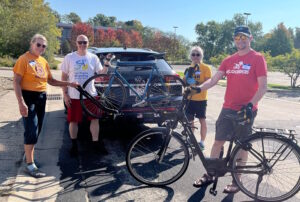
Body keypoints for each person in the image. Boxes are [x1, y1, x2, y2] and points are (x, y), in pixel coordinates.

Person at [192, 26, 268, 193]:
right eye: (237, 38)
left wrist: (250, 105)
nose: (240, 40)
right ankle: (210, 174)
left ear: (250, 38)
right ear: (234, 40)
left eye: (243, 37)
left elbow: (263, 87)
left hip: (247, 110)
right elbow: (213, 80)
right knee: (218, 141)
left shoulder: (257, 58)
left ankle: (237, 181)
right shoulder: (228, 60)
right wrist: (199, 88)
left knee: (242, 146)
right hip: (228, 108)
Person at [13, 34, 78, 178]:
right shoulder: (23, 59)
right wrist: (20, 102)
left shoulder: (43, 61)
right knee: (31, 130)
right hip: (28, 97)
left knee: (37, 129)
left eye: (44, 46)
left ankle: (28, 157)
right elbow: (16, 81)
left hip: (41, 97)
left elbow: (51, 81)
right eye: (39, 45)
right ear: (32, 43)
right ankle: (30, 165)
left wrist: (69, 84)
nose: (41, 48)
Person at [61, 34, 108, 157]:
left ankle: (95, 144)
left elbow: (101, 74)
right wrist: (65, 94)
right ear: (76, 43)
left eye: (85, 42)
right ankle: (74, 146)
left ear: (88, 43)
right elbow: (63, 77)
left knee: (95, 119)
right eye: (80, 42)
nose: (82, 44)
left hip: (91, 95)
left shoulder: (93, 57)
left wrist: (107, 63)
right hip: (74, 95)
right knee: (73, 121)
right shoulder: (69, 57)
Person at [183, 46, 212, 150]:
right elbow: (184, 82)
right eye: (193, 54)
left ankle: (202, 142)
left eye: (198, 54)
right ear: (190, 56)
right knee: (189, 122)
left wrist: (196, 84)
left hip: (201, 100)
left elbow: (209, 82)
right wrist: (186, 80)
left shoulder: (206, 68)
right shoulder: (189, 68)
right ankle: (191, 140)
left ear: (201, 56)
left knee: (202, 121)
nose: (195, 56)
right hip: (190, 99)